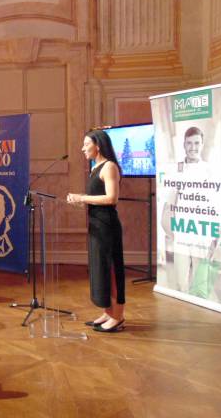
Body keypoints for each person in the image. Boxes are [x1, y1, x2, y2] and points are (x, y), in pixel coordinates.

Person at [67, 130, 125, 333]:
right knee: (101, 270)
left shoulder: (109, 167)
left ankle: (118, 316)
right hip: (97, 226)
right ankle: (108, 312)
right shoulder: (95, 167)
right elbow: (97, 197)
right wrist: (80, 200)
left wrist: (82, 198)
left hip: (107, 226)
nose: (82, 148)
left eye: (86, 144)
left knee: (112, 269)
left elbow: (112, 198)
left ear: (98, 145)